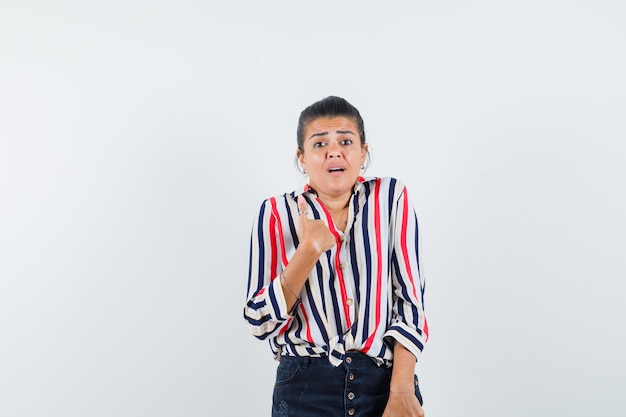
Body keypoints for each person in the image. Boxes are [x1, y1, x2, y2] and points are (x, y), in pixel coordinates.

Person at [244, 96, 428, 417]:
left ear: (362, 153)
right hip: (304, 384)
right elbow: (259, 321)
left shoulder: (390, 198)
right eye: (319, 144)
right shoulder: (275, 212)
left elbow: (410, 305)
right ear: (302, 158)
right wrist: (307, 251)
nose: (334, 151)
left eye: (346, 141)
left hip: (384, 383)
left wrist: (401, 390)